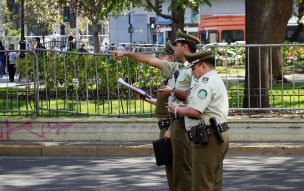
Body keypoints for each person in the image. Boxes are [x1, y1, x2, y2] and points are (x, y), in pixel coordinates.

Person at [112, 29, 200, 191]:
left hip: (180, 126)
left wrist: (173, 128)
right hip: (169, 126)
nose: (174, 49)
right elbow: (149, 60)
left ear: (185, 47)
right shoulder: (176, 68)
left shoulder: (195, 70)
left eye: (177, 45)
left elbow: (193, 101)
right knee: (172, 172)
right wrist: (126, 54)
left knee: (183, 173)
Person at [167, 50, 230, 191]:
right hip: (215, 134)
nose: (193, 72)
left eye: (194, 68)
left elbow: (195, 111)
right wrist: (184, 107)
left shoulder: (206, 82)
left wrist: (176, 109)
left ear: (203, 66)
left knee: (201, 184)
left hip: (208, 137)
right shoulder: (214, 79)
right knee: (214, 182)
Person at [134, 40, 175, 191]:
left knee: (176, 170)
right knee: (170, 168)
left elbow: (179, 105)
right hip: (165, 127)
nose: (160, 58)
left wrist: (171, 128)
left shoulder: (174, 78)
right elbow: (166, 103)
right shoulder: (168, 78)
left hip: (170, 127)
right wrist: (146, 99)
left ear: (170, 58)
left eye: (163, 55)